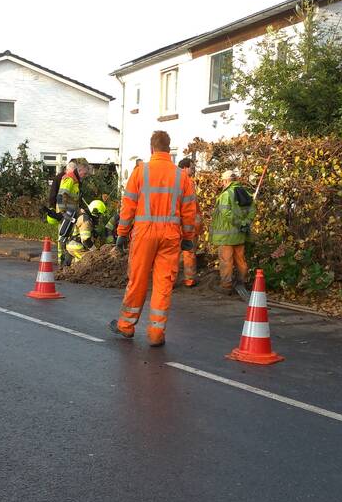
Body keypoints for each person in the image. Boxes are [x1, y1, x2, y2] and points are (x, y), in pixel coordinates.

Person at [110, 131, 199, 347]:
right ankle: (156, 333)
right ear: (169, 149)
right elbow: (189, 211)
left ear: (152, 149)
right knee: (163, 283)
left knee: (138, 280)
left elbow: (128, 206)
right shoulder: (182, 176)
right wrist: (188, 237)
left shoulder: (141, 172)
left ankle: (126, 325)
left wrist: (122, 234)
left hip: (144, 234)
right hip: (170, 236)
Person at [210, 169, 256, 294]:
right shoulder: (245, 193)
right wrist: (245, 223)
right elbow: (252, 211)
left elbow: (226, 214)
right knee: (240, 260)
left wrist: (239, 223)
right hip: (240, 235)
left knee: (226, 261)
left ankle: (226, 286)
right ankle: (242, 282)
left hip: (226, 236)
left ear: (225, 181)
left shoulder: (226, 195)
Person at [56, 158, 91, 266]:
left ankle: (70, 262)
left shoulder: (76, 180)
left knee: (72, 235)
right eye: (85, 173)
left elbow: (75, 198)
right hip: (67, 213)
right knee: (64, 235)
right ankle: (61, 261)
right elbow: (61, 195)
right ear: (80, 170)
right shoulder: (70, 179)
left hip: (72, 212)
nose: (85, 176)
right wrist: (62, 213)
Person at [175, 158, 204, 287]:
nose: (193, 170)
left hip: (174, 223)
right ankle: (189, 280)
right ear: (185, 168)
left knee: (172, 253)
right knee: (189, 252)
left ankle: (169, 280)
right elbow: (191, 206)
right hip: (188, 224)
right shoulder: (188, 182)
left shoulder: (172, 180)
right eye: (192, 167)